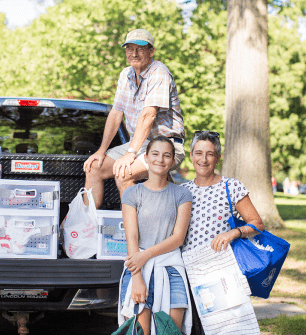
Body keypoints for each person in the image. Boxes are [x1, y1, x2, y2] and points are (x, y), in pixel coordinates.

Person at [83, 28, 185, 208]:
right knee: (94, 168)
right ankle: (86, 229)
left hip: (168, 144)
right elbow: (115, 114)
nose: (134, 53)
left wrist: (130, 153)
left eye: (140, 49)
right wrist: (101, 150)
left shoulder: (159, 72)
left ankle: (131, 233)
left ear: (151, 51)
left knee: (124, 172)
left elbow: (148, 115)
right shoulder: (126, 74)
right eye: (129, 49)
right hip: (141, 144)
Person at [180, 130, 265, 334]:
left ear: (217, 158)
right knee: (194, 328)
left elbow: (257, 224)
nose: (203, 159)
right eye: (198, 153)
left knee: (225, 328)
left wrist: (233, 232)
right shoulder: (182, 191)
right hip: (189, 270)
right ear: (191, 156)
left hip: (221, 272)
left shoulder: (231, 187)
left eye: (210, 154)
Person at [119, 136, 192, 335]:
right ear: (146, 157)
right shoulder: (132, 193)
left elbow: (178, 238)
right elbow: (132, 237)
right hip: (138, 268)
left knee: (170, 331)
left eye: (166, 155)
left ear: (172, 161)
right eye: (155, 154)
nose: (160, 159)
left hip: (170, 268)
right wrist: (137, 278)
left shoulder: (182, 194)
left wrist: (145, 255)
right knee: (140, 331)